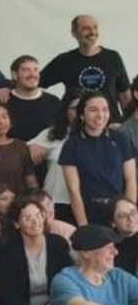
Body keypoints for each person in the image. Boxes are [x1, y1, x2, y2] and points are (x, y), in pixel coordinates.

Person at [0, 196, 72, 305]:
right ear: (17, 224)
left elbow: (69, 279)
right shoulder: (9, 252)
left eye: (38, 215)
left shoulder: (58, 244)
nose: (35, 221)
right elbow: (6, 295)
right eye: (28, 218)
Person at [61, 90, 138, 228]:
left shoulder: (121, 139)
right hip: (91, 214)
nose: (100, 115)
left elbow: (131, 180)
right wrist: (84, 226)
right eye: (93, 110)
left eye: (105, 109)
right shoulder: (71, 145)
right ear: (82, 115)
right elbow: (73, 190)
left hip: (120, 213)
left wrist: (128, 215)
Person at [42, 14, 132, 124]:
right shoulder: (64, 61)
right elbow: (36, 83)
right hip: (77, 128)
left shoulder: (112, 57)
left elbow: (125, 97)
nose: (92, 32)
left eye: (95, 27)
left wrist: (129, 129)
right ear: (74, 34)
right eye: (86, 28)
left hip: (110, 126)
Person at [28, 89, 84, 222]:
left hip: (86, 202)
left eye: (83, 108)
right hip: (56, 202)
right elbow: (21, 150)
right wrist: (32, 146)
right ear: (66, 111)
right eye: (75, 108)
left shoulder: (97, 135)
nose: (79, 113)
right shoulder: (54, 134)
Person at [5, 55, 62, 142]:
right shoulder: (3, 101)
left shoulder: (54, 102)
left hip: (46, 154)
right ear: (14, 75)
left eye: (36, 70)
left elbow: (62, 134)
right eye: (26, 70)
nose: (32, 74)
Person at [112, 197, 138, 274]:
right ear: (113, 222)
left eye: (133, 213)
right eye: (123, 215)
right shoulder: (109, 245)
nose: (131, 219)